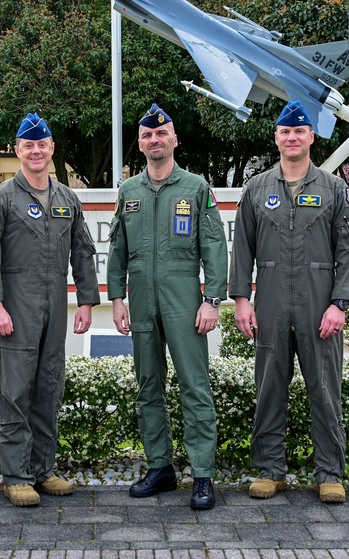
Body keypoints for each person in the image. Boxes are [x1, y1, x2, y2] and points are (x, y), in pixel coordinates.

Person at [229, 100, 349, 504]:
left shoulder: (334, 189)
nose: (292, 137)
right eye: (285, 132)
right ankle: (271, 472)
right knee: (270, 387)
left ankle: (330, 473)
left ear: (311, 137)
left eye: (299, 131)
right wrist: (241, 299)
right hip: (270, 302)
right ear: (276, 138)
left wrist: (339, 303)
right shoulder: (257, 189)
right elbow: (243, 250)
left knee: (324, 389)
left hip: (318, 303)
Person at [0, 112, 101, 507]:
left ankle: (43, 471)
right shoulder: (0, 199)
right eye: (28, 145)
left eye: (42, 144)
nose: (36, 151)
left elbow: (83, 251)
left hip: (53, 308)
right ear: (17, 150)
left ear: (51, 149)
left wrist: (85, 301)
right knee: (14, 391)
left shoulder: (67, 199)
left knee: (48, 387)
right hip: (16, 305)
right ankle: (15, 476)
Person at [106, 103, 229, 511]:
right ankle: (160, 467)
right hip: (141, 299)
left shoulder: (195, 188)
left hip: (184, 300)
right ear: (140, 144)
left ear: (174, 140)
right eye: (147, 135)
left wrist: (212, 300)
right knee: (148, 386)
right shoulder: (129, 191)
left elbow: (213, 246)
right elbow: (118, 248)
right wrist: (118, 299)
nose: (154, 140)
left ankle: (203, 475)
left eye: (162, 134)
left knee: (194, 386)